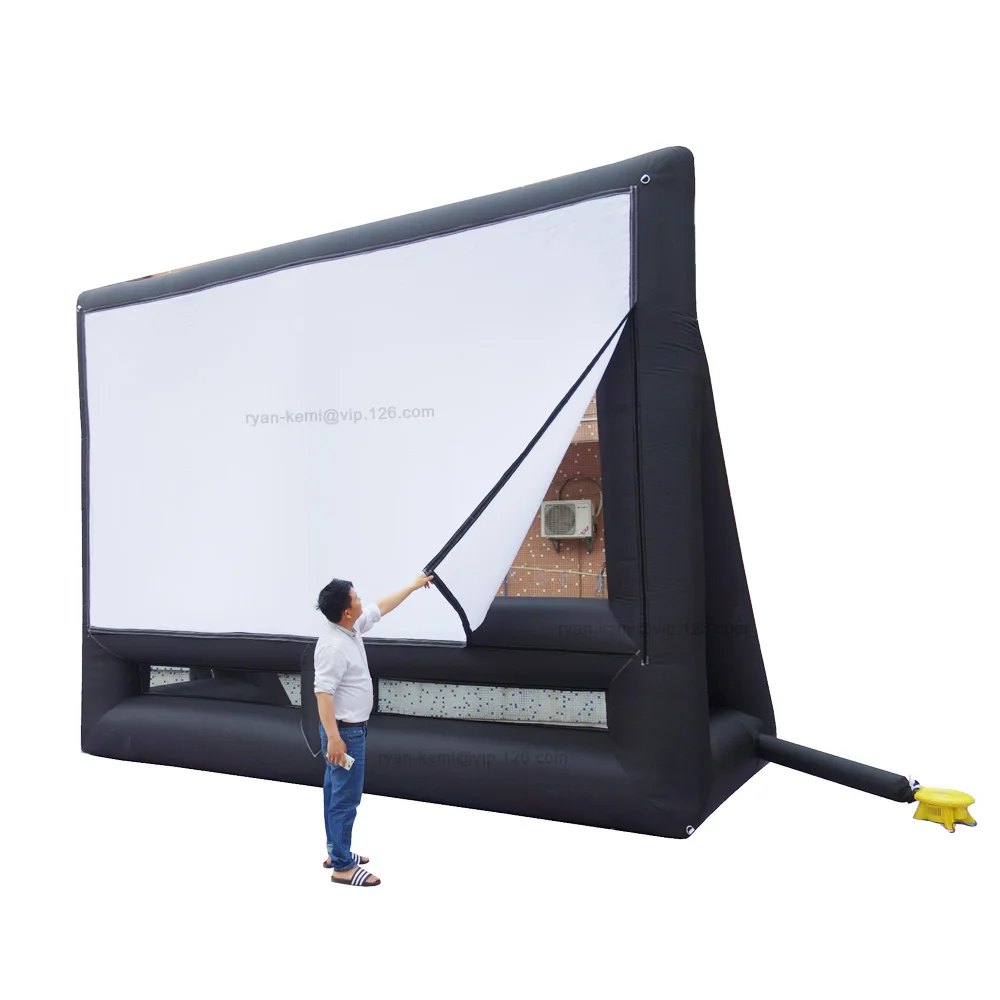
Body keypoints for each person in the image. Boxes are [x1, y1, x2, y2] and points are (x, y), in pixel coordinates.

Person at [314, 572, 434, 886]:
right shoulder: (333, 647)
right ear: (346, 611)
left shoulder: (349, 628)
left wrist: (413, 586)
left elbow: (381, 607)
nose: (361, 600)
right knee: (345, 799)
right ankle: (343, 867)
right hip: (345, 734)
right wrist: (335, 738)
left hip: (347, 731)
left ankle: (336, 852)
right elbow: (323, 694)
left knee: (334, 793)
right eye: (356, 598)